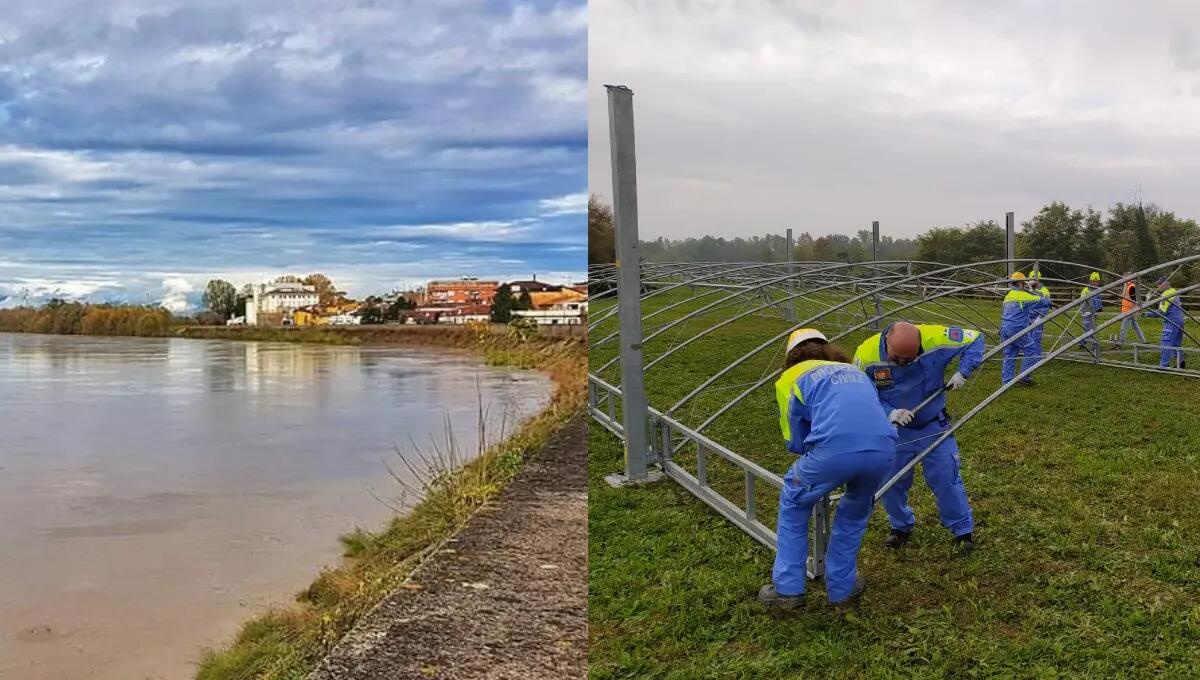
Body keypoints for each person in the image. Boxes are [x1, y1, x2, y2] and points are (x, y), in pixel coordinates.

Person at [759, 328, 896, 609]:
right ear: (828, 349)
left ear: (791, 356)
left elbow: (793, 439)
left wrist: (811, 448)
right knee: (854, 513)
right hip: (882, 450)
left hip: (833, 451)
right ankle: (842, 589)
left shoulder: (791, 377)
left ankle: (788, 589)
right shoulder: (855, 371)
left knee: (795, 501)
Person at [853, 322, 982, 552]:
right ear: (887, 341)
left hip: (933, 425)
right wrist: (889, 412)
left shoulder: (937, 338)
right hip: (895, 430)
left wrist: (963, 371)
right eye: (896, 358)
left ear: (920, 345)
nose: (902, 363)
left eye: (909, 359)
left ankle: (962, 530)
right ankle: (900, 526)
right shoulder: (866, 354)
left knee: (946, 476)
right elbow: (860, 392)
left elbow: (975, 338)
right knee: (890, 481)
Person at [999, 272, 1050, 385]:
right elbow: (1042, 301)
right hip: (1017, 329)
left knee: (1010, 354)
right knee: (1032, 351)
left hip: (1005, 329)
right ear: (1021, 283)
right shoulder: (1023, 296)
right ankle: (1024, 377)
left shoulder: (1008, 296)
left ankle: (1007, 381)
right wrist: (1047, 301)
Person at [1145, 275, 1186, 369]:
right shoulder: (1174, 291)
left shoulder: (1166, 294)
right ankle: (1181, 362)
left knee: (1166, 343)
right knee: (1176, 343)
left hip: (1171, 322)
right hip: (1179, 320)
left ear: (1166, 283)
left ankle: (1164, 365)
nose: (1159, 286)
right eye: (1158, 284)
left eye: (1160, 284)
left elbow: (1161, 312)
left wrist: (1146, 314)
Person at [1026, 268, 1052, 364]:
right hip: (1028, 317)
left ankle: (1036, 358)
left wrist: (1039, 318)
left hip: (1037, 318)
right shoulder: (1028, 289)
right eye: (1030, 280)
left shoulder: (1045, 291)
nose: (1031, 282)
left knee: (1036, 338)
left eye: (1033, 280)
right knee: (1027, 337)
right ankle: (1029, 356)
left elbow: (1046, 306)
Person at [1077, 272, 1103, 357]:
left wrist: (1099, 308)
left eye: (1097, 281)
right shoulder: (1086, 290)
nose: (1096, 283)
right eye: (1094, 281)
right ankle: (1086, 343)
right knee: (1087, 328)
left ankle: (1087, 343)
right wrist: (1086, 311)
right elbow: (1083, 303)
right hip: (1086, 311)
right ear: (1091, 281)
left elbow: (1098, 301)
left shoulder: (1097, 290)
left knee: (1091, 328)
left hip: (1094, 312)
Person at [1116, 274, 1147, 346]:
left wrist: (1134, 309)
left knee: (1123, 327)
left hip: (1129, 311)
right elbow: (1123, 296)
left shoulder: (1131, 287)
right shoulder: (1128, 286)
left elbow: (1135, 300)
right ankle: (1143, 341)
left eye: (1124, 278)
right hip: (1129, 310)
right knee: (1136, 327)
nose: (1123, 280)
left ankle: (1120, 343)